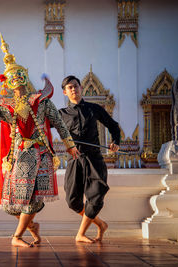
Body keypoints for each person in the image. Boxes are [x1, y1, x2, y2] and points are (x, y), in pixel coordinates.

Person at [0, 35, 79, 247]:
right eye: (12, 77)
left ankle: (18, 236)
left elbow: (60, 125)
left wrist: (71, 146)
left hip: (41, 153)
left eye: (20, 75)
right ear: (7, 82)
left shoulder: (42, 101)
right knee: (14, 204)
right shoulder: (6, 107)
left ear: (25, 77)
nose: (17, 80)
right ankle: (29, 228)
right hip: (20, 156)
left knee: (34, 200)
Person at [59, 75, 120, 243]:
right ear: (65, 92)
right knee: (72, 201)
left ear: (81, 88)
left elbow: (113, 126)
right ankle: (101, 224)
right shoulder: (61, 114)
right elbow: (40, 126)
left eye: (76, 86)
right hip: (74, 159)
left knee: (95, 195)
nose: (73, 89)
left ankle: (80, 233)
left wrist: (116, 142)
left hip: (94, 158)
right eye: (69, 87)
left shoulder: (94, 109)